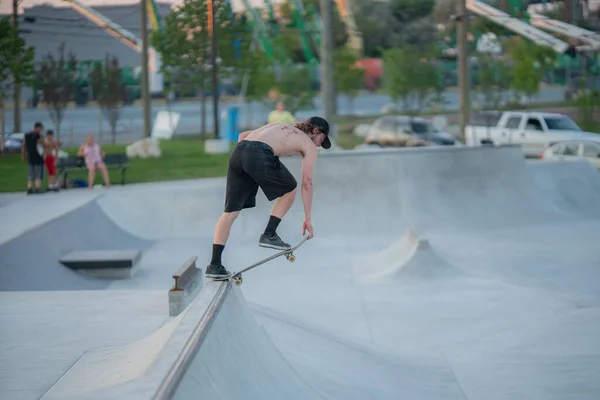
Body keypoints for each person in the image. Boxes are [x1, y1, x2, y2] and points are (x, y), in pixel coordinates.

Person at [205, 116, 331, 279]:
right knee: (290, 189)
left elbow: (243, 136)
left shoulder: (278, 127)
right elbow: (307, 182)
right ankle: (269, 234)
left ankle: (214, 265)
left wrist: (247, 164)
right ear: (315, 131)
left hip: (238, 154)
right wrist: (307, 218)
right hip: (259, 153)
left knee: (230, 213)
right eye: (321, 140)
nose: (319, 145)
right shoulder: (309, 145)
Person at [22, 122, 45, 194]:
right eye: (40, 128)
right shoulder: (38, 136)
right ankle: (37, 188)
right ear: (37, 128)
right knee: (37, 173)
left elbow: (23, 146)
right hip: (38, 157)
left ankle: (29, 188)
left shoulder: (27, 135)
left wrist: (23, 156)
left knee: (30, 174)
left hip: (30, 157)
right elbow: (43, 144)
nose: (41, 130)